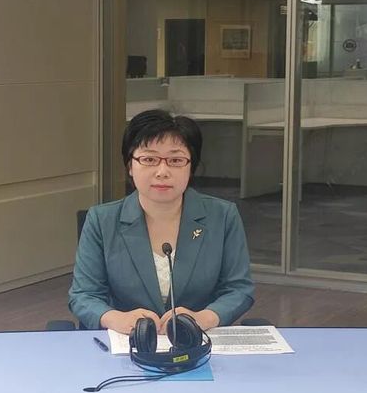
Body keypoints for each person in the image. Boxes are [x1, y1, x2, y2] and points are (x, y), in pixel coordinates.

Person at [68, 109, 255, 334]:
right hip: (126, 342)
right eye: (149, 159)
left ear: (191, 166)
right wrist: (116, 319)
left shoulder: (222, 216)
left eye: (176, 160)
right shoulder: (101, 220)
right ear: (130, 165)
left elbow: (238, 289)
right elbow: (84, 295)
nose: (162, 171)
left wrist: (204, 318)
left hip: (198, 340)